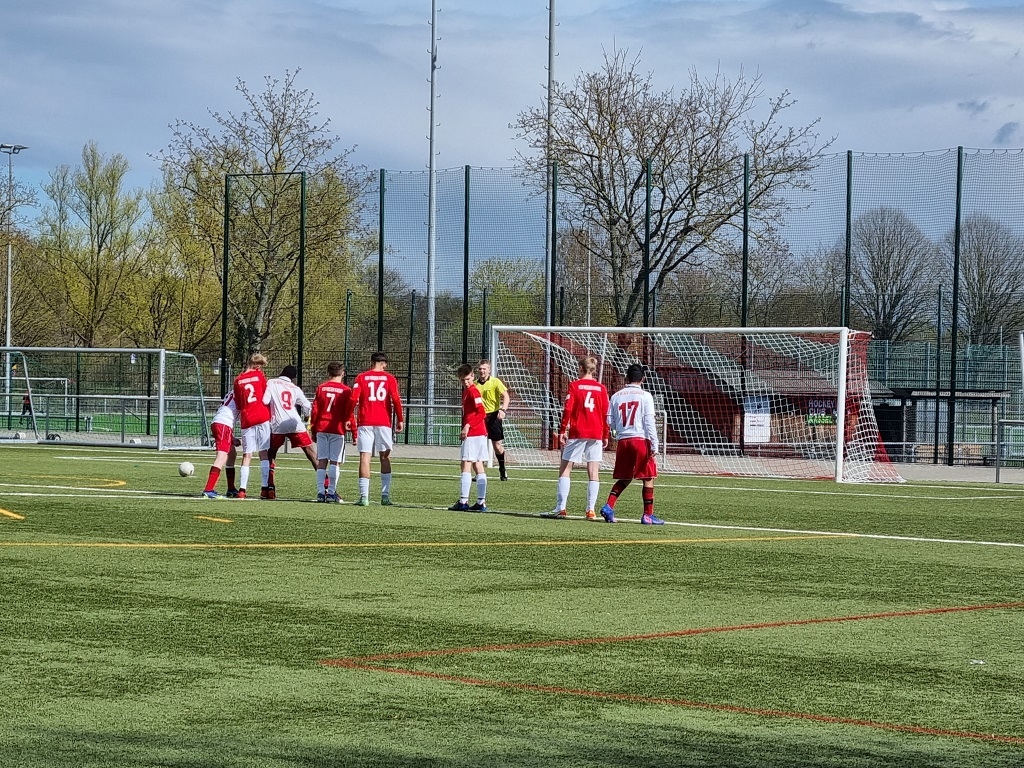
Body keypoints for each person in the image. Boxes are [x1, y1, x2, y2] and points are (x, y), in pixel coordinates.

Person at [544, 356, 609, 520]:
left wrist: (562, 430)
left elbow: (568, 409)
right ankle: (590, 510)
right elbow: (605, 413)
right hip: (596, 432)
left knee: (565, 469)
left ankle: (561, 508)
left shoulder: (575, 386)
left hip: (578, 431)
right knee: (593, 471)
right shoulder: (601, 388)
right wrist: (606, 434)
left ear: (581, 368)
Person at [600, 363, 664, 525]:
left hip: (623, 441)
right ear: (643, 379)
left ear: (626, 378)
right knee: (648, 477)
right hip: (640, 440)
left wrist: (620, 429)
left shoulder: (616, 396)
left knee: (625, 477)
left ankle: (609, 506)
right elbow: (649, 421)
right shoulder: (645, 396)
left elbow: (609, 420)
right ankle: (648, 515)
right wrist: (655, 443)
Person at [346, 351, 404, 506]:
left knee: (365, 457)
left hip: (365, 421)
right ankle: (385, 496)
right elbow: (396, 399)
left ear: (371, 362)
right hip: (383, 421)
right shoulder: (390, 378)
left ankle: (364, 497)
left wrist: (349, 416)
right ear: (384, 364)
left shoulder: (361, 377)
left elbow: (353, 398)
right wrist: (400, 419)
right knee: (385, 457)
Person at [265, 365, 317, 500]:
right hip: (295, 423)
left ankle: (270, 488)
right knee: (311, 453)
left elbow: (265, 400)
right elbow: (307, 406)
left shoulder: (271, 382)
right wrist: (307, 416)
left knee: (271, 453)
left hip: (278, 424)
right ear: (293, 378)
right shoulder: (295, 388)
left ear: (281, 372)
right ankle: (326, 486)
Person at [309, 362, 353, 503]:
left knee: (322, 460)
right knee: (335, 461)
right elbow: (349, 413)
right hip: (337, 429)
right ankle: (331, 493)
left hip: (322, 427)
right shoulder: (346, 390)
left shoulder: (321, 388)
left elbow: (315, 410)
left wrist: (313, 429)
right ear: (342, 373)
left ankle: (321, 493)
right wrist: (354, 431)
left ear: (328, 373)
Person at [448, 363, 490, 512]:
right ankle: (481, 502)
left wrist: (467, 426)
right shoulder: (467, 391)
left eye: (467, 379)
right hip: (479, 433)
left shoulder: (473, 391)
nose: (465, 382)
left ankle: (463, 501)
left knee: (466, 463)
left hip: (474, 432)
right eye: (462, 380)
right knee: (477, 464)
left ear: (473, 376)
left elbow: (481, 412)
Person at [232, 352, 272, 500]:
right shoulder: (259, 376)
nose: (261, 369)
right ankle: (264, 488)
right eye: (260, 366)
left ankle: (242, 490)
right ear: (256, 365)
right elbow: (265, 395)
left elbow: (238, 404)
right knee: (263, 453)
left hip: (247, 419)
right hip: (262, 416)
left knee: (247, 455)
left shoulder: (238, 380)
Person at [201, 390, 240, 499]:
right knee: (222, 457)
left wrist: (231, 437)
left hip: (219, 423)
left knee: (232, 454)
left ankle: (231, 488)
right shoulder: (241, 391)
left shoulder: (233, 391)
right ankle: (208, 489)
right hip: (224, 424)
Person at [476, 359, 510, 480]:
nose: (482, 371)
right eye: (480, 369)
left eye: (484, 369)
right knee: (478, 445)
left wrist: (503, 410)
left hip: (494, 416)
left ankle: (502, 469)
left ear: (489, 370)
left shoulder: (495, 382)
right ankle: (479, 473)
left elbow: (506, 396)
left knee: (497, 445)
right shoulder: (475, 384)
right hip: (480, 417)